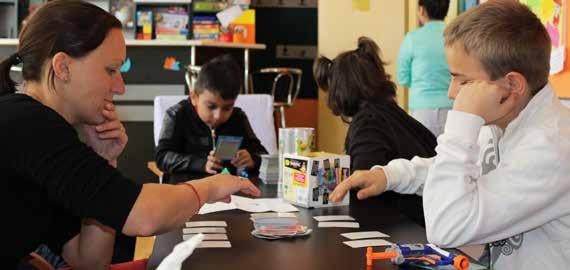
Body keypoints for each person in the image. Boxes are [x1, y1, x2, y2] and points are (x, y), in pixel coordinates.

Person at [0, 1, 260, 269]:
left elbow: (89, 261)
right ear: (63, 67)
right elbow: (145, 215)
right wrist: (213, 186)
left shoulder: (45, 129)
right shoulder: (29, 122)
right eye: (111, 70)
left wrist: (103, 160)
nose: (120, 87)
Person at [330, 1, 570, 269]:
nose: (452, 93)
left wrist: (463, 121)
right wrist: (390, 175)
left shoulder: (551, 147)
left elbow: (446, 228)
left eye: (463, 81)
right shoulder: (504, 121)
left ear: (511, 85)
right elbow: (451, 171)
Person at [313, 37, 437, 226]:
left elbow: (363, 190)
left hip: (406, 226)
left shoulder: (367, 125)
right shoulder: (393, 115)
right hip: (427, 219)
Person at [155, 55, 267, 183]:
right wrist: (201, 164)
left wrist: (253, 160)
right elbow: (162, 158)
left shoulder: (238, 117)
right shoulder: (177, 114)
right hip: (186, 192)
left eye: (227, 108)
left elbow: (262, 154)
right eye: (211, 106)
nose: (218, 116)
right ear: (194, 97)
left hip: (231, 195)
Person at [396, 0, 453, 137]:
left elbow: (402, 77)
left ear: (421, 10)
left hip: (421, 111)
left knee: (423, 155)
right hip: (452, 108)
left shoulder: (412, 38)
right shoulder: (455, 37)